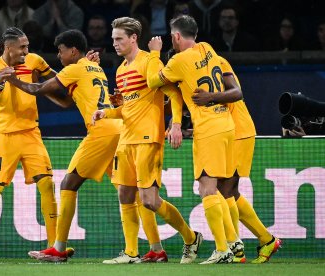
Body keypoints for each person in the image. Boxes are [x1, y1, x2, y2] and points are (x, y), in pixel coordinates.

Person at [6, 29, 171, 263]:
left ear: (73, 51)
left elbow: (36, 89)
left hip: (102, 130)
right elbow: (64, 101)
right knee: (130, 191)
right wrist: (39, 84)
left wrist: (10, 78)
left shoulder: (75, 68)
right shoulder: (95, 68)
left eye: (61, 51)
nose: (59, 57)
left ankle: (58, 248)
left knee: (69, 182)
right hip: (119, 128)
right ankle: (156, 248)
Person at [93, 16, 203, 265]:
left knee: (150, 201)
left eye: (119, 39)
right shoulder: (121, 70)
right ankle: (131, 252)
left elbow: (173, 93)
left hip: (147, 139)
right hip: (126, 139)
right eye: (113, 39)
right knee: (124, 194)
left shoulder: (148, 62)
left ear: (134, 38)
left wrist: (176, 124)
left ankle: (191, 237)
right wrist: (107, 112)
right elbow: (127, 108)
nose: (115, 44)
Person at [146, 15, 243, 264]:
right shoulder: (207, 49)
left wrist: (155, 53)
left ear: (177, 36)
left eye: (171, 36)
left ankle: (222, 250)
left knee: (206, 189)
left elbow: (153, 81)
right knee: (220, 190)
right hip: (227, 125)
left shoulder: (177, 61)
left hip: (208, 127)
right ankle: (233, 243)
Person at [0, 27, 59, 263]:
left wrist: (80, 68)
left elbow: (59, 79)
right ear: (8, 48)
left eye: (27, 46)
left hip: (31, 134)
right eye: (22, 47)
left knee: (47, 184)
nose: (27, 51)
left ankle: (53, 248)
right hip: (4, 137)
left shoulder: (34, 61)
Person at [192, 56, 283, 263]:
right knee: (228, 190)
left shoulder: (214, 62)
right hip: (228, 130)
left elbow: (235, 94)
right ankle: (262, 240)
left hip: (238, 131)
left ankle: (239, 247)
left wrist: (211, 98)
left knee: (225, 190)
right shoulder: (202, 65)